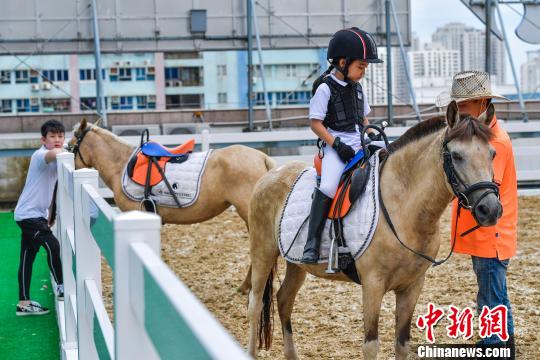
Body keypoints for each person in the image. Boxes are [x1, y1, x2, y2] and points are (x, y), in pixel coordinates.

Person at [438, 70, 517, 357]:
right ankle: (505, 347)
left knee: (490, 298)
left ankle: (494, 347)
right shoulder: (486, 135)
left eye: (465, 104)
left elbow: (483, 193)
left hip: (490, 234)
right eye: (456, 105)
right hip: (489, 234)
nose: (460, 110)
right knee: (496, 295)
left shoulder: (492, 142)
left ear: (483, 103)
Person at [301, 27, 382, 263]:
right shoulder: (325, 87)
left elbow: (363, 119)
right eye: (361, 67)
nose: (363, 72)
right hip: (335, 144)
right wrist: (336, 145)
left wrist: (370, 137)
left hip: (358, 141)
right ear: (343, 62)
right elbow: (315, 123)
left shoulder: (358, 88)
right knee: (327, 186)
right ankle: (312, 243)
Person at [14, 119, 66, 316]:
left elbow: (51, 191)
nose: (57, 140)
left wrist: (49, 216)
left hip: (35, 215)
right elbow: (54, 153)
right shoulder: (41, 155)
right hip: (29, 216)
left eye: (60, 136)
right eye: (52, 137)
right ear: (43, 140)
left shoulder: (55, 158)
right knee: (53, 245)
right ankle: (61, 286)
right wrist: (68, 148)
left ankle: (24, 303)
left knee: (27, 258)